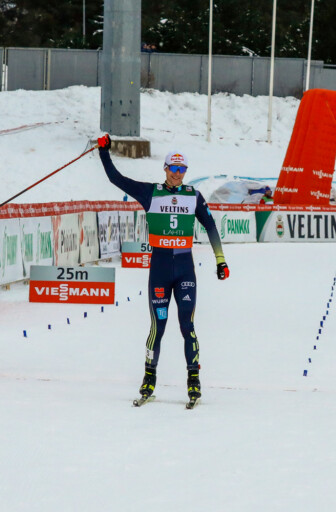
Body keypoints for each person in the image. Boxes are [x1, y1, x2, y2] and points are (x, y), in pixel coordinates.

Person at [97, 134, 230, 408]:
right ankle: (148, 380)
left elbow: (211, 227)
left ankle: (193, 381)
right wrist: (104, 152)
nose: (178, 174)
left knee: (187, 326)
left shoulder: (194, 196)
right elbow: (116, 179)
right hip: (159, 273)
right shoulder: (151, 193)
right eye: (174, 168)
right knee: (158, 327)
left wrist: (221, 260)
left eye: (183, 170)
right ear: (166, 169)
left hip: (185, 274)